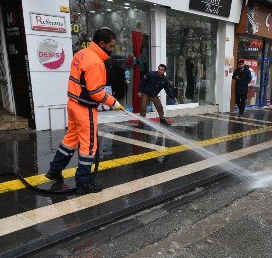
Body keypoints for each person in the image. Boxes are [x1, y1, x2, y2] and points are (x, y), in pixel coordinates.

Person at [45, 27, 124, 194]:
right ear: (101, 43)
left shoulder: (81, 53)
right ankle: (83, 182)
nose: (112, 50)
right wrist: (113, 102)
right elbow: (95, 93)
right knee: (88, 147)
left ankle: (54, 170)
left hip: (73, 104)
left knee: (70, 139)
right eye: (110, 46)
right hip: (84, 108)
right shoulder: (95, 62)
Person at [138, 64, 177, 128]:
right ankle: (141, 122)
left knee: (160, 107)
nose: (159, 70)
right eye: (159, 69)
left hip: (154, 95)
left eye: (161, 70)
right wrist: (139, 91)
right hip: (145, 93)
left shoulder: (165, 80)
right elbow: (142, 81)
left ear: (164, 71)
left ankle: (162, 120)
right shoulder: (150, 74)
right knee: (143, 108)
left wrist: (173, 97)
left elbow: (168, 90)